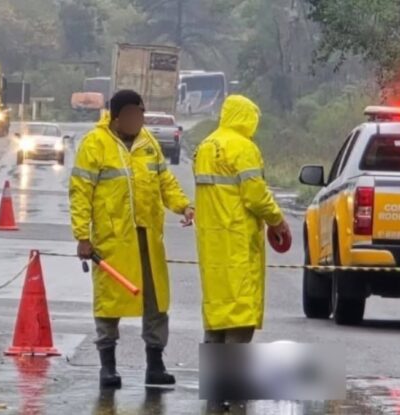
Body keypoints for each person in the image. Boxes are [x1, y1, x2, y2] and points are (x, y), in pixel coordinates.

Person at [70, 90, 195, 388]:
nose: (138, 121)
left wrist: (183, 205)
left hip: (148, 240)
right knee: (109, 305)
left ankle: (155, 364)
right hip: (112, 242)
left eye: (141, 116)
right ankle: (108, 368)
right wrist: (82, 236)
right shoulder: (94, 145)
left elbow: (165, 181)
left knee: (156, 303)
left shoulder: (148, 143)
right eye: (133, 116)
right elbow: (80, 192)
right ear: (117, 117)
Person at [192, 94, 290, 345]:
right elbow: (255, 196)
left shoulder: (205, 146)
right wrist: (277, 220)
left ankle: (214, 380)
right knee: (239, 317)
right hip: (237, 242)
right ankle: (232, 381)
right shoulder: (243, 147)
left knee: (216, 317)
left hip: (211, 245)